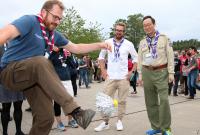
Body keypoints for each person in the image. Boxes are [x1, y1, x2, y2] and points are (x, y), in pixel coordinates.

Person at [0, 0, 111, 135]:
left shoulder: (54, 35)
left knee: (46, 118)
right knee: (41, 62)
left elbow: (76, 47)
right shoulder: (29, 21)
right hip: (10, 72)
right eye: (55, 17)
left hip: (32, 77)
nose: (57, 22)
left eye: (60, 19)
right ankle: (76, 111)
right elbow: (3, 35)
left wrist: (99, 44)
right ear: (44, 12)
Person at [94, 22, 138, 132]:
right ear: (115, 30)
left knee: (122, 101)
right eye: (117, 30)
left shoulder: (129, 44)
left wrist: (132, 72)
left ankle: (119, 121)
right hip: (110, 77)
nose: (119, 32)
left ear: (124, 32)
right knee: (106, 101)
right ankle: (105, 122)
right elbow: (101, 57)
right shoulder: (107, 42)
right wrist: (103, 70)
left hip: (124, 78)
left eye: (121, 30)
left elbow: (136, 58)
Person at [137, 16, 174, 135]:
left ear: (154, 24)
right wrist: (140, 75)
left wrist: (171, 72)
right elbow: (139, 59)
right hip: (147, 72)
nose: (147, 27)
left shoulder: (164, 39)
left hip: (161, 72)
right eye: (145, 26)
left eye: (149, 24)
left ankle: (166, 128)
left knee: (164, 100)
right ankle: (156, 126)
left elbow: (170, 56)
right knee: (150, 101)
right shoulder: (142, 42)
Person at [0, 44, 26, 135]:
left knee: (18, 106)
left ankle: (18, 131)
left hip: (18, 80)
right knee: (5, 108)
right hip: (4, 80)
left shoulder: (19, 45)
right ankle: (4, 132)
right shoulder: (0, 45)